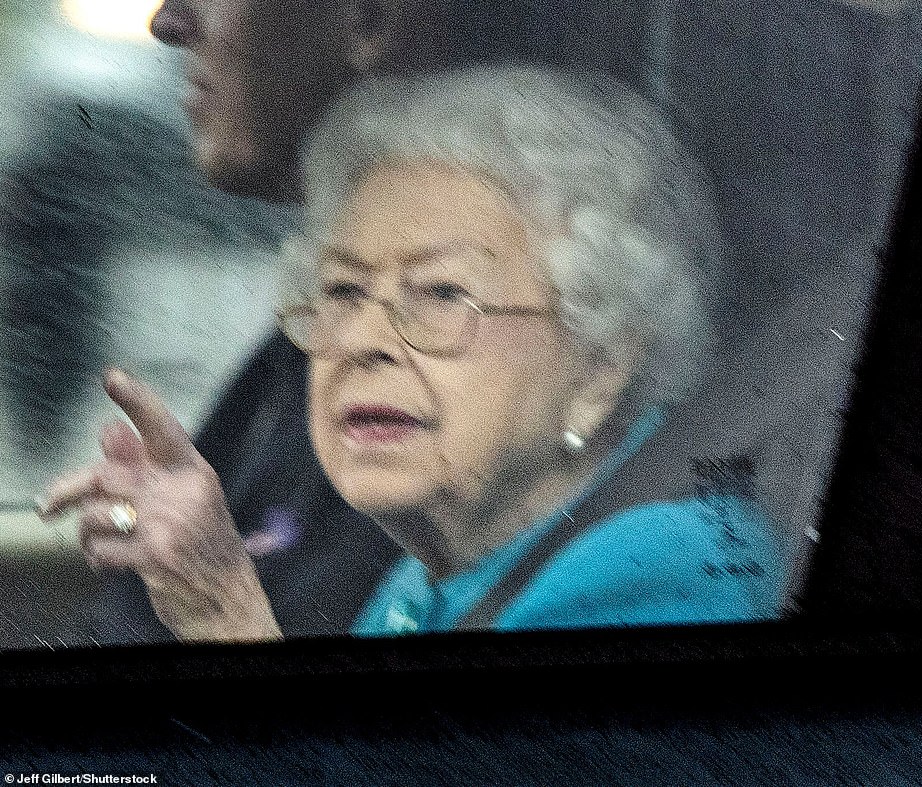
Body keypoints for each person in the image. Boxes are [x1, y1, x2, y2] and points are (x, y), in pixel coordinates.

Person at [41, 65, 783, 641]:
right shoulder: (428, 580)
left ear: (601, 367)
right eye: (341, 292)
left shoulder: (663, 573)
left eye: (439, 293)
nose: (360, 341)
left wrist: (226, 616)